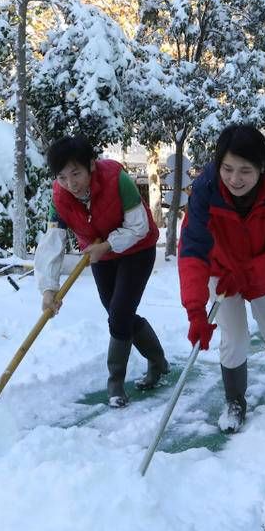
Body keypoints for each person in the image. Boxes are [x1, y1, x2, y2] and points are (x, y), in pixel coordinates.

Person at [179, 124, 265, 434]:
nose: (235, 179)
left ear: (262, 168)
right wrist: (195, 310)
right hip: (221, 274)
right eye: (227, 168)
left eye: (245, 170)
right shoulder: (206, 189)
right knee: (234, 337)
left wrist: (248, 273)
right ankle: (235, 400)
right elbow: (192, 248)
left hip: (264, 273)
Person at [35, 135, 168, 408]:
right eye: (62, 177)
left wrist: (108, 245)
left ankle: (115, 382)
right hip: (99, 254)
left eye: (76, 173)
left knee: (119, 313)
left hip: (137, 249)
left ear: (91, 165)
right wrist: (48, 288)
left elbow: (138, 226)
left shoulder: (117, 180)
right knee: (118, 313)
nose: (70, 183)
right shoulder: (60, 199)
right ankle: (158, 362)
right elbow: (52, 243)